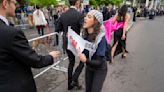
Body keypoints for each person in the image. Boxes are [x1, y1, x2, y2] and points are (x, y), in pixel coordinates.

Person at [0, 0, 60, 92]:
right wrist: (50, 57)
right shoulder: (11, 33)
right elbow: (34, 60)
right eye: (14, 3)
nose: (16, 5)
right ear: (5, 4)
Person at [55, 0, 84, 90]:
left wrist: (65, 32)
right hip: (76, 41)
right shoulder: (79, 15)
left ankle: (70, 84)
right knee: (83, 61)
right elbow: (84, 27)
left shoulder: (63, 15)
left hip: (67, 41)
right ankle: (74, 80)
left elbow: (57, 29)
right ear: (77, 3)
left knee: (71, 62)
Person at [78, 10, 108, 92]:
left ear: (95, 22)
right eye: (86, 16)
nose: (85, 18)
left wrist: (85, 60)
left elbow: (99, 62)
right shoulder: (84, 35)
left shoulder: (101, 39)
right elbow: (83, 52)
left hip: (100, 69)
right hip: (89, 67)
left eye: (89, 17)